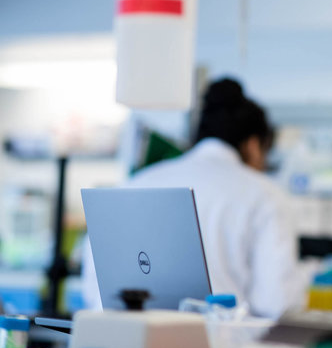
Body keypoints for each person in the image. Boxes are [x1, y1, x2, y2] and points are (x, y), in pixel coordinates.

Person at [82, 78, 306, 319]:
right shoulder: (266, 196)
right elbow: (276, 302)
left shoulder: (136, 182)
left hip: (125, 339)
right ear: (253, 145)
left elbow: (94, 287)